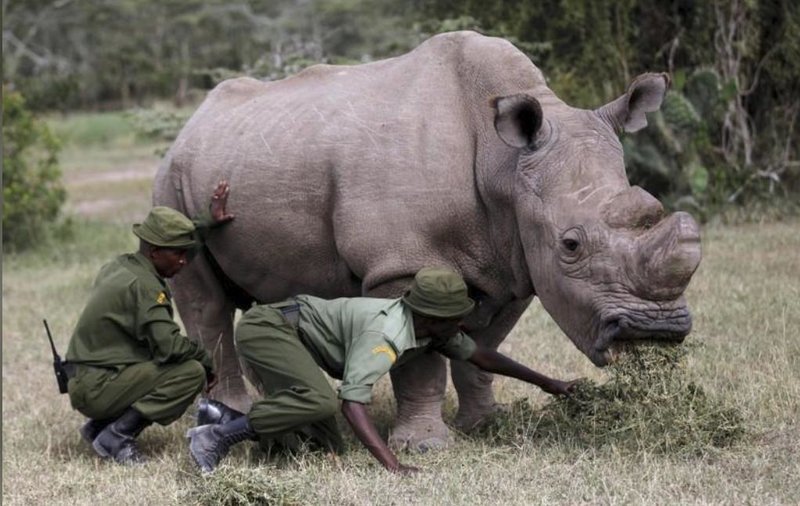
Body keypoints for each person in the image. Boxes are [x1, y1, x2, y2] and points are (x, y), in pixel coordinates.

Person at [187, 266, 580, 473]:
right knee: (320, 402)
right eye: (454, 317)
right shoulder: (388, 335)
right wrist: (392, 465)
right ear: (432, 317)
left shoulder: (429, 330)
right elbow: (351, 404)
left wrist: (549, 383)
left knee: (323, 448)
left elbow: (480, 355)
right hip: (270, 328)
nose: (461, 324)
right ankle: (218, 437)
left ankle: (218, 416)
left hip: (296, 334)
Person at [65, 181, 234, 464]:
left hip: (87, 379)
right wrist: (205, 360)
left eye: (185, 253)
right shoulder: (145, 287)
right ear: (155, 252)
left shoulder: (122, 266)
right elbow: (169, 347)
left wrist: (206, 223)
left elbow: (176, 244)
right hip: (98, 387)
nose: (183, 262)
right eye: (178, 254)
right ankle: (116, 436)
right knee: (190, 372)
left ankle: (98, 427)